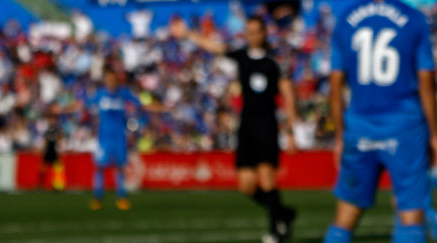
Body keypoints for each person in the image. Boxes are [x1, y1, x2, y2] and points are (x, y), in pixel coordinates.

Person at [322, 0, 437, 243]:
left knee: (345, 216)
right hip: (404, 126)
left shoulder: (347, 18)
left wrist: (340, 135)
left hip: (360, 125)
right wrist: (435, 135)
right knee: (410, 215)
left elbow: (336, 84)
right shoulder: (414, 20)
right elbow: (426, 82)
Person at [171, 15, 299, 243]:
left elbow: (288, 95)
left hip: (267, 124)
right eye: (249, 32)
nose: (252, 36)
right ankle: (283, 213)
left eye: (256, 31)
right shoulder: (241, 56)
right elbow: (216, 47)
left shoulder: (274, 61)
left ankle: (276, 232)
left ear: (264, 33)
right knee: (246, 185)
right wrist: (189, 34)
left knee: (267, 176)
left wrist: (290, 132)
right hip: (247, 125)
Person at [86, 67, 158, 210]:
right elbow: (83, 105)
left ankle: (122, 197)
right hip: (104, 138)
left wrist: (161, 108)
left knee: (120, 167)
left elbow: (142, 104)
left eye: (113, 78)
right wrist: (61, 109)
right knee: (100, 167)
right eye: (109, 78)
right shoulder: (100, 95)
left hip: (119, 137)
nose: (111, 81)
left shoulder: (123, 93)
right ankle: (98, 197)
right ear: (105, 80)